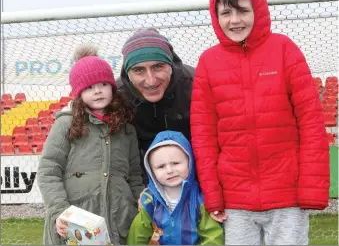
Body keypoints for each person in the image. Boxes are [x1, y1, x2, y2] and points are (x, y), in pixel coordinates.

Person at [190, 0, 330, 245]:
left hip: (287, 194)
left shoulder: (284, 49)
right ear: (216, 16)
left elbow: (310, 122)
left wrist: (311, 189)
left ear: (259, 10)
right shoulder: (208, 62)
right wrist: (213, 195)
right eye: (226, 13)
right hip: (236, 199)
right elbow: (203, 136)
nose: (235, 20)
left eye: (243, 11)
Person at [37, 44, 144, 245]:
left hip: (119, 222)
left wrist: (139, 199)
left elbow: (135, 175)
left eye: (103, 84)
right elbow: (48, 171)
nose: (97, 91)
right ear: (78, 92)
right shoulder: (65, 123)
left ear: (112, 86)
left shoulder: (127, 129)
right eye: (89, 87)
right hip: (75, 225)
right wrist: (61, 211)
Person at [116, 28, 195, 184]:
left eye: (158, 67)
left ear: (171, 65)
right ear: (127, 73)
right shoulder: (117, 97)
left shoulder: (195, 84)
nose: (151, 81)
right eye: (139, 70)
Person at [127, 130, 224, 245]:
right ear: (151, 171)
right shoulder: (150, 201)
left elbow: (212, 237)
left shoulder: (200, 199)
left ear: (190, 161)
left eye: (176, 163)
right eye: (161, 166)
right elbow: (138, 237)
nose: (169, 170)